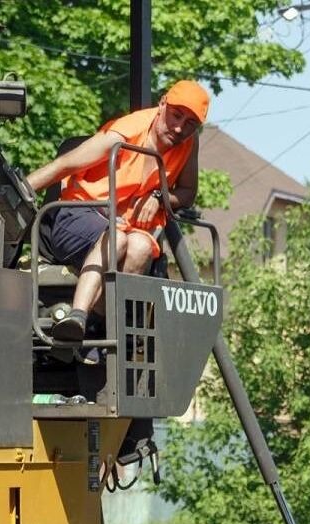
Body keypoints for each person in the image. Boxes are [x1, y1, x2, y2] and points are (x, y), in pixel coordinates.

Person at [26, 80, 211, 341]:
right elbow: (64, 165)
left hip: (125, 227)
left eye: (191, 123)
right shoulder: (125, 132)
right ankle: (77, 316)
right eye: (176, 115)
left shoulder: (187, 144)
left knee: (141, 247)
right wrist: (16, 195)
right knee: (118, 238)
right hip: (77, 216)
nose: (180, 127)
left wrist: (159, 197)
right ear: (162, 104)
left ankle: (103, 330)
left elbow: (187, 192)